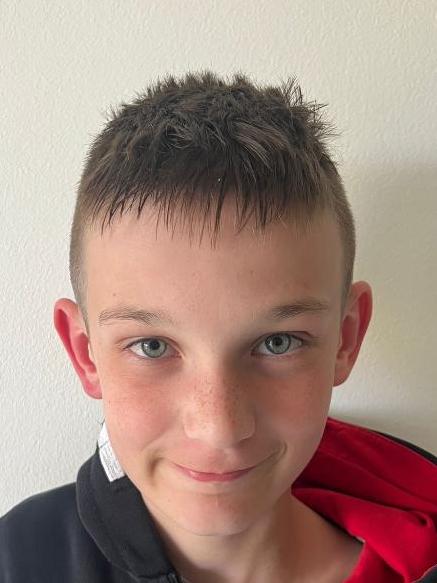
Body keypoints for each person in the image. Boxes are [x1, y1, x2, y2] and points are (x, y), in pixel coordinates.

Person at [1, 71, 437, 583]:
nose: (219, 427)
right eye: (152, 346)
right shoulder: (19, 562)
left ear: (346, 339)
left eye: (277, 343)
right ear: (84, 352)